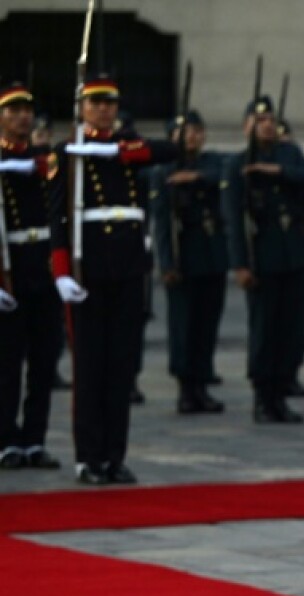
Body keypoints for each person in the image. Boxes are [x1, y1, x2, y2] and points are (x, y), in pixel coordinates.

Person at [48, 73, 177, 485]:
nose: (104, 109)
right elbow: (57, 218)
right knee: (90, 368)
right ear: (82, 108)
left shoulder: (124, 149)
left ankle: (114, 455)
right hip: (89, 271)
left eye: (110, 103)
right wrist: (61, 271)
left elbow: (169, 149)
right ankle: (88, 456)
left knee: (121, 367)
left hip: (127, 269)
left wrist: (116, 149)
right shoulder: (68, 155)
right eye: (96, 103)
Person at [222, 94, 304, 424]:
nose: (266, 126)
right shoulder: (237, 164)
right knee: (264, 331)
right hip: (261, 260)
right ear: (247, 125)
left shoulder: (289, 154)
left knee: (291, 330)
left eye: (270, 120)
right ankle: (263, 397)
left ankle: (281, 393)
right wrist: (240, 264)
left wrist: (276, 171)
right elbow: (232, 219)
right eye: (259, 120)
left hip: (294, 256)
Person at [0, 81, 62, 471]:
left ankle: (35, 439)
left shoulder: (45, 159)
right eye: (13, 110)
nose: (23, 117)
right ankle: (6, 438)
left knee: (44, 360)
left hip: (44, 265)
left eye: (27, 111)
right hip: (11, 265)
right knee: (7, 361)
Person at [149, 110, 228, 415]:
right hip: (182, 259)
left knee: (207, 325)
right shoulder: (163, 170)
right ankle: (185, 387)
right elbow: (161, 221)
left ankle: (202, 384)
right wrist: (167, 263)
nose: (191, 136)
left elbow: (224, 176)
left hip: (210, 256)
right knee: (183, 326)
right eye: (183, 132)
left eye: (196, 130)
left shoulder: (212, 163)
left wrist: (195, 177)